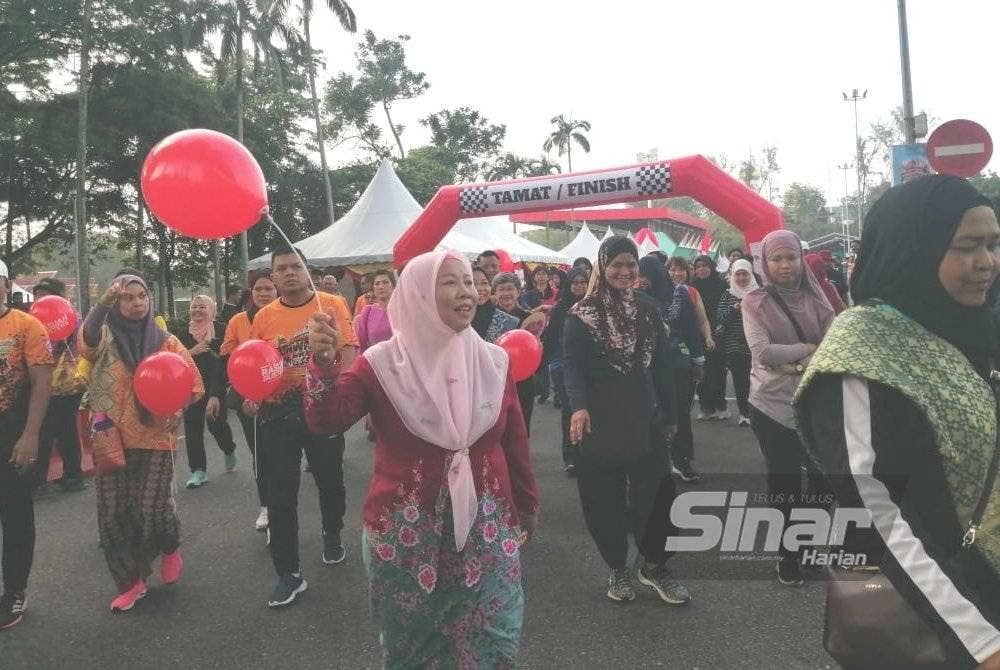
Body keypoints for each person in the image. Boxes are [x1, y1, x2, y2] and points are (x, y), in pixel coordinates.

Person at [796, 175, 1000, 670]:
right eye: (966, 247)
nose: (987, 263)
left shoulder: (976, 326)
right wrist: (980, 642)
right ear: (915, 248)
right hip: (937, 616)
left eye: (994, 244)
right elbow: (878, 514)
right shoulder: (862, 353)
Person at [303, 250, 539, 668]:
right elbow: (327, 420)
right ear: (418, 294)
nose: (466, 292)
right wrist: (323, 366)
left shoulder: (493, 361)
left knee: (493, 636)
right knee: (414, 644)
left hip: (487, 528)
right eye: (449, 282)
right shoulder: (379, 365)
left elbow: (515, 441)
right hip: (407, 538)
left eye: (469, 281)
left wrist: (526, 505)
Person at [564, 237, 682, 603]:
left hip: (643, 416)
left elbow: (663, 365)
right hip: (598, 420)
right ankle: (617, 567)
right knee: (604, 500)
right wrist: (579, 406)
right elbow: (572, 367)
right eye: (616, 264)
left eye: (631, 264)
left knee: (658, 493)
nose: (624, 271)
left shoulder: (648, 309)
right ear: (603, 266)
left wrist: (672, 414)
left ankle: (654, 567)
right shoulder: (581, 315)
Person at [80, 274, 203, 612]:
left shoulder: (166, 342)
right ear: (116, 304)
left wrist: (179, 407)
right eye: (128, 298)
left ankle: (169, 544)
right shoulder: (104, 338)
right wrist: (103, 301)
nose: (137, 303)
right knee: (113, 515)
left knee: (151, 511)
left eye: (142, 296)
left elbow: (191, 383)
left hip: (155, 438)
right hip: (111, 438)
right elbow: (85, 339)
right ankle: (131, 583)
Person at [247, 244, 358, 608]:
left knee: (330, 481)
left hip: (321, 407)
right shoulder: (263, 317)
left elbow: (350, 353)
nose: (290, 273)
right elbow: (255, 362)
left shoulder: (331, 305)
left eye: (296, 266)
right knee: (280, 495)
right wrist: (251, 392)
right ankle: (288, 573)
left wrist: (342, 396)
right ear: (274, 275)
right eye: (282, 268)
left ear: (307, 270)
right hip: (277, 412)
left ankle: (332, 531)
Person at [741, 230, 834, 586]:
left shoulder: (818, 298)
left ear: (800, 259)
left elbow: (833, 342)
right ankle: (788, 554)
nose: (784, 265)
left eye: (790, 257)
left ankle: (808, 546)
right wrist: (807, 352)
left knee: (826, 481)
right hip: (771, 406)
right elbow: (763, 352)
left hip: (814, 402)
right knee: (786, 483)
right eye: (776, 259)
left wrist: (794, 359)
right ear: (765, 262)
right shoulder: (754, 302)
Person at [0, 259, 53, 630]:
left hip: (12, 434)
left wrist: (31, 434)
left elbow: (42, 382)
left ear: (6, 286)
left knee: (15, 515)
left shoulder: (26, 326)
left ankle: (15, 589)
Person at [208, 270, 277, 534]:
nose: (263, 293)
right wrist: (214, 394)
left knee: (279, 454)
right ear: (251, 292)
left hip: (279, 397)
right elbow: (223, 361)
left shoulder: (285, 317)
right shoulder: (237, 321)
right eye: (258, 289)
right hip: (246, 399)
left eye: (269, 289)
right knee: (259, 452)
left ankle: (282, 505)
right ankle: (266, 506)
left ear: (277, 290)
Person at [638, 256, 705, 484]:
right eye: (639, 275)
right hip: (646, 367)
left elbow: (691, 328)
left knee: (680, 414)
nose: (641, 280)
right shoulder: (632, 297)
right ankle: (654, 462)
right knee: (652, 415)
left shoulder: (680, 294)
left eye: (645, 275)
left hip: (678, 362)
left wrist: (698, 360)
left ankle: (682, 460)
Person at [172, 295, 236, 488]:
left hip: (215, 386)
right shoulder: (182, 334)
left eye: (203, 307)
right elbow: (172, 360)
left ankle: (229, 448)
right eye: (194, 307)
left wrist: (215, 394)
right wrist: (192, 352)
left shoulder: (222, 331)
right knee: (192, 428)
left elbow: (225, 362)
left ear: (211, 310)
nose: (198, 310)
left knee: (216, 424)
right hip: (190, 388)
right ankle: (198, 470)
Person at [31, 277, 86, 495]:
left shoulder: (70, 319)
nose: (39, 300)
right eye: (36, 296)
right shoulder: (35, 320)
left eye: (43, 295)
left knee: (57, 430)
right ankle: (69, 476)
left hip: (68, 383)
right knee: (54, 430)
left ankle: (62, 477)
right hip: (45, 384)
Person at [542, 268, 589, 474]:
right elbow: (550, 338)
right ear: (568, 285)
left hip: (588, 368)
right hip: (564, 367)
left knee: (587, 411)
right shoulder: (561, 308)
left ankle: (587, 453)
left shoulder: (592, 307)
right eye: (575, 282)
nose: (579, 286)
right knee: (569, 413)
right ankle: (570, 455)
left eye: (583, 282)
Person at [492, 272, 537, 433]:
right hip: (494, 379)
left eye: (510, 289)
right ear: (494, 293)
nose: (506, 293)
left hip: (523, 381)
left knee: (522, 424)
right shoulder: (487, 317)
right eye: (501, 289)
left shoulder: (530, 318)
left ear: (518, 291)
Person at [715, 259, 757, 426]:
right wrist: (734, 309)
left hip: (756, 343)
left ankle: (758, 413)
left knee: (756, 380)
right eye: (738, 274)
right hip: (735, 344)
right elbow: (720, 317)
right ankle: (744, 414)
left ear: (750, 274)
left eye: (744, 274)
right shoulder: (728, 294)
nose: (741, 278)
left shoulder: (758, 293)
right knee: (740, 380)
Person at [691, 254, 729, 421]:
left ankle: (721, 405)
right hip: (697, 334)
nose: (701, 269)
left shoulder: (722, 285)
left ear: (711, 267)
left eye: (704, 266)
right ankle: (706, 407)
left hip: (719, 332)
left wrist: (722, 325)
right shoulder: (692, 287)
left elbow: (728, 308)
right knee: (701, 371)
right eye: (698, 266)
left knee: (718, 370)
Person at [471, 267, 520, 344]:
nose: (479, 288)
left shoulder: (506, 321)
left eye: (484, 283)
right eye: (473, 283)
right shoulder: (455, 319)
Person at [353, 270, 395, 354]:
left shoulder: (402, 309)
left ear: (393, 286)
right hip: (375, 361)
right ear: (373, 289)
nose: (381, 286)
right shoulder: (368, 312)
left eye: (385, 282)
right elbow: (361, 344)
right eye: (377, 284)